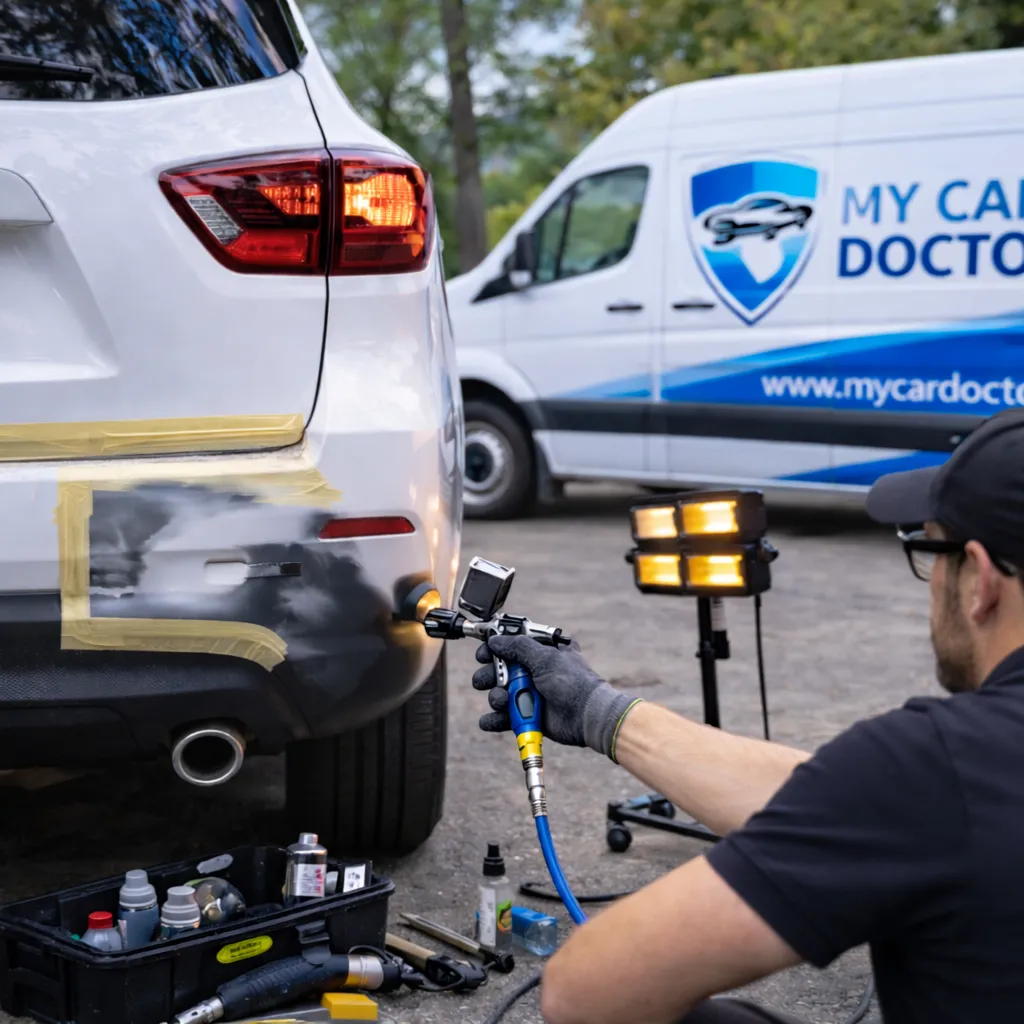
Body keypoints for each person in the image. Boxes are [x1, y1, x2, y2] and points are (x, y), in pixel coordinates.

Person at [472, 407, 1024, 1024]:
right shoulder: (939, 783)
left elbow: (582, 989)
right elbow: (842, 806)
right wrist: (599, 711)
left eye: (931, 552)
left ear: (980, 581)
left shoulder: (937, 768)